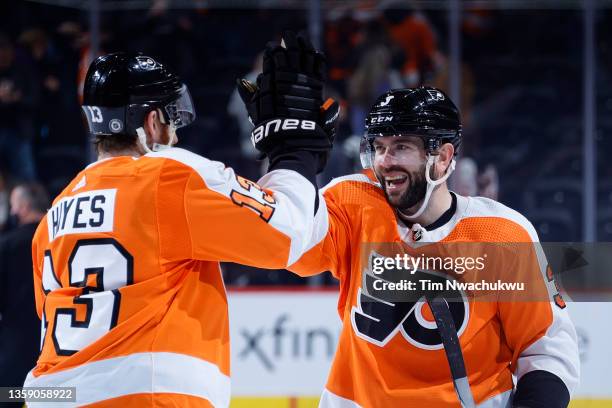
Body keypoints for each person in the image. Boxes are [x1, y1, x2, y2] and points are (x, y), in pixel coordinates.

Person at [24, 34, 337, 407]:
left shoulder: (56, 211)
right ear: (152, 121)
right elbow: (290, 232)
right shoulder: (168, 175)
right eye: (172, 118)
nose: (174, 134)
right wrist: (293, 149)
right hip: (144, 395)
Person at [287, 87, 579, 407]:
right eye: (379, 147)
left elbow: (546, 350)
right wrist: (294, 159)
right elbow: (292, 245)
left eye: (401, 147)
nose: (385, 160)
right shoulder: (354, 204)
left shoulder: (503, 234)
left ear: (442, 157)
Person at [0, 183, 49, 405]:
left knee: (9, 398)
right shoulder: (60, 240)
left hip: (16, 350)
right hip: (56, 346)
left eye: (13, 206)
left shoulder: (7, 244)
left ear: (23, 206)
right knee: (59, 398)